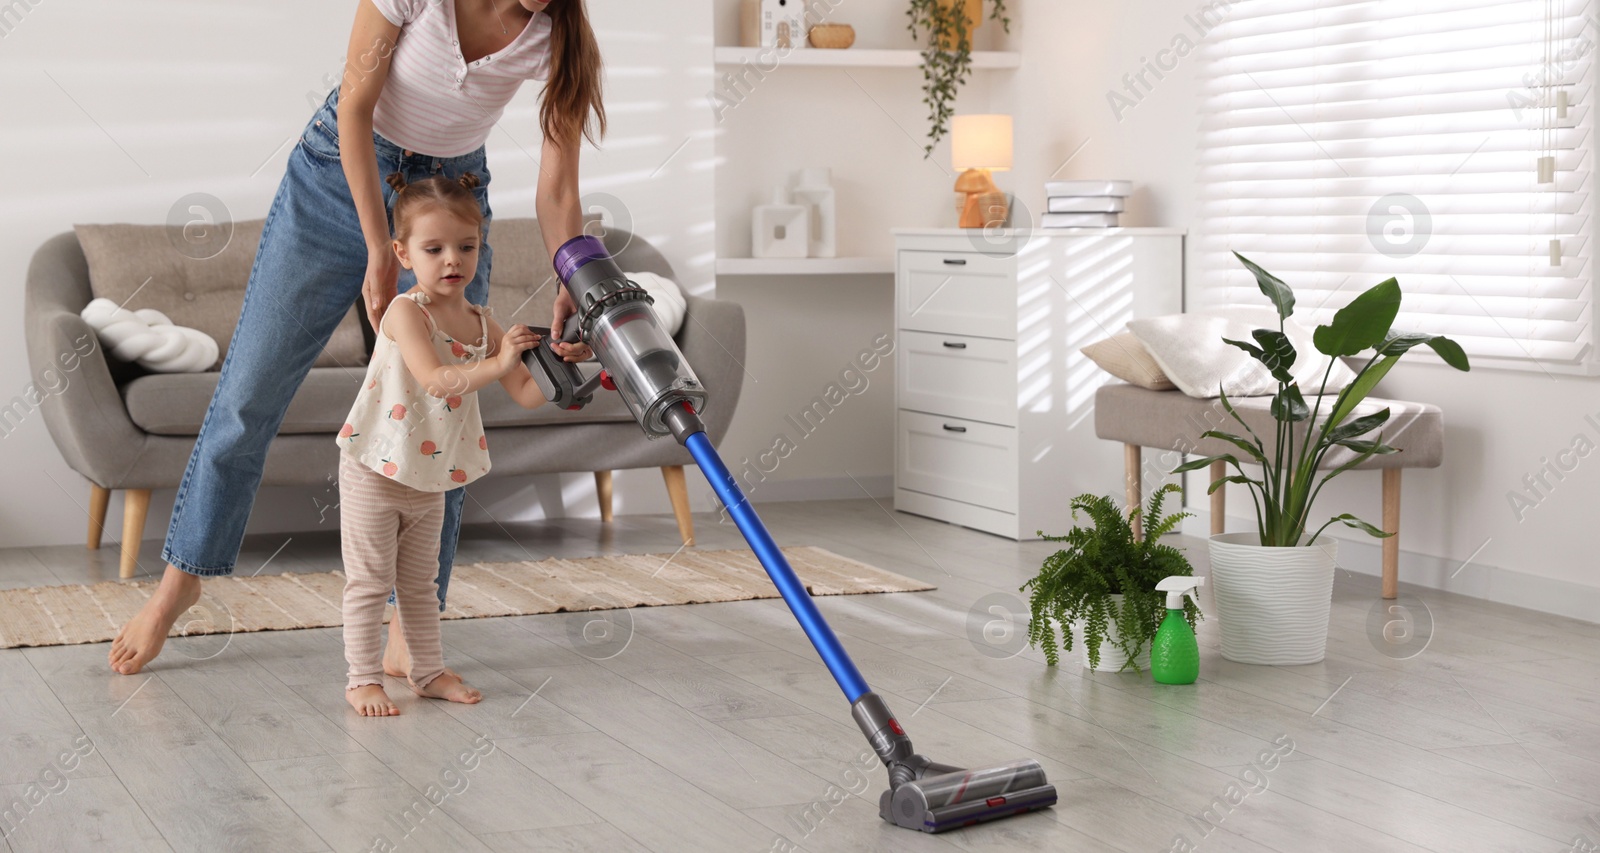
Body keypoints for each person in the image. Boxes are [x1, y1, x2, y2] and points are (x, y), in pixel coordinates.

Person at [109, 0, 605, 675]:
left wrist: (572, 274)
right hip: (335, 185)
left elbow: (558, 191)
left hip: (450, 200)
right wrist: (379, 245)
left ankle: (415, 621)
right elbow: (355, 106)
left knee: (444, 416)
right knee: (248, 394)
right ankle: (179, 582)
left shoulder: (557, 35)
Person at [342, 172, 550, 716]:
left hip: (429, 475)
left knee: (420, 585)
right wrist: (500, 361)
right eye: (433, 249)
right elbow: (437, 378)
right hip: (375, 468)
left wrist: (558, 370)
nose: (451, 260)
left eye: (466, 246)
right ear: (402, 252)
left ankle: (427, 671)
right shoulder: (404, 311)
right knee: (368, 583)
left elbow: (526, 393)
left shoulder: (482, 320)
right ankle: (363, 679)